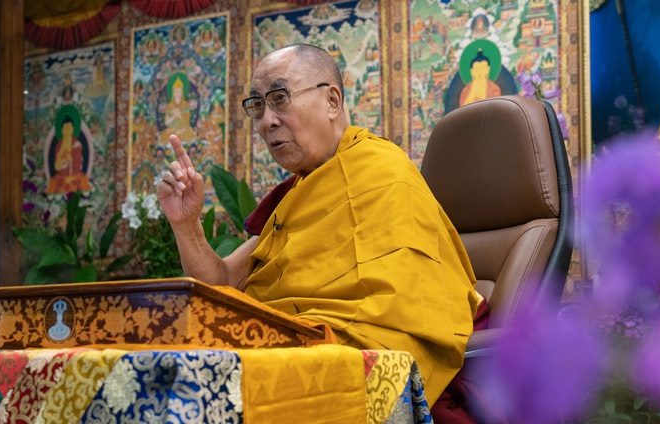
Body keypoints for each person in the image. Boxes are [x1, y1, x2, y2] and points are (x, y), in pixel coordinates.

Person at [156, 44, 479, 409]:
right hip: (283, 343)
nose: (266, 122)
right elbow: (222, 284)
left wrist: (291, 336)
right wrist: (186, 225)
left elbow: (405, 315)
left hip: (334, 353)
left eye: (279, 98)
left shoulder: (383, 172)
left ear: (332, 101)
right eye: (258, 106)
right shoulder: (295, 194)